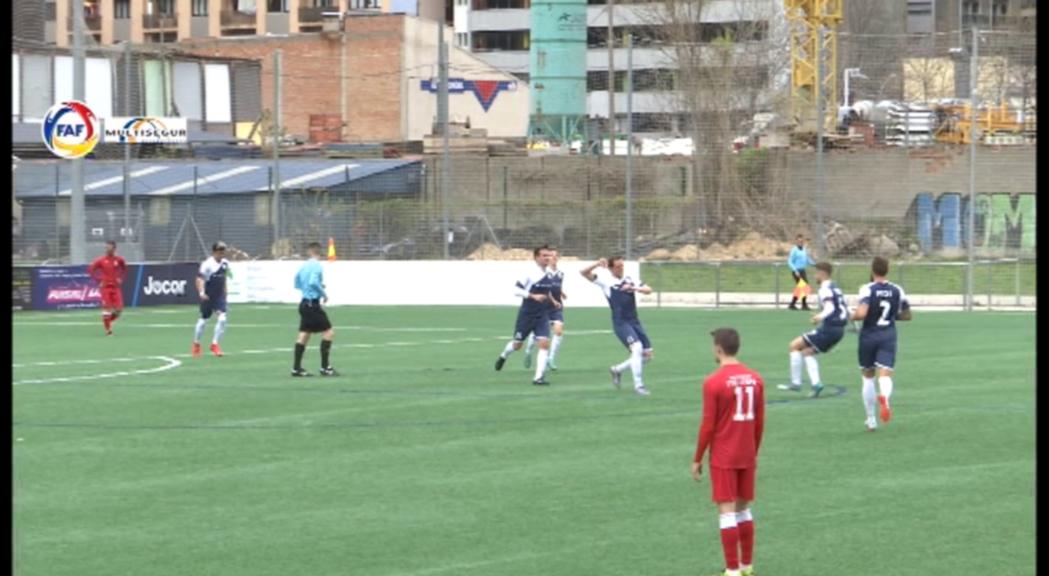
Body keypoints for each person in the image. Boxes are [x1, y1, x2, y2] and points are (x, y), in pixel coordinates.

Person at [692, 328, 765, 576]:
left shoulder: (713, 382)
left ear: (719, 349)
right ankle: (747, 566)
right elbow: (759, 421)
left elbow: (708, 425)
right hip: (747, 453)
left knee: (726, 512)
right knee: (743, 509)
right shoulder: (756, 378)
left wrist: (697, 457)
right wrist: (753, 451)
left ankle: (732, 570)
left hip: (724, 455)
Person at [850, 256, 912, 431]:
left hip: (869, 335)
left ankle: (871, 420)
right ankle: (884, 397)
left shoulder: (867, 289)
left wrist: (850, 315)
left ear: (872, 270)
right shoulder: (897, 290)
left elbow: (862, 313)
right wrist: (893, 316)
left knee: (868, 376)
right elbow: (908, 315)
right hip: (888, 335)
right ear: (888, 269)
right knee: (884, 374)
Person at [580, 257, 654, 396]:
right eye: (618, 266)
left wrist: (634, 288)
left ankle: (617, 370)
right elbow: (583, 272)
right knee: (636, 348)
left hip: (634, 321)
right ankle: (639, 386)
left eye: (622, 266)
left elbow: (649, 289)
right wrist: (596, 263)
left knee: (647, 356)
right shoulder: (606, 282)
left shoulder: (629, 279)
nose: (621, 268)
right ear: (611, 268)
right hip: (621, 322)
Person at [778, 262, 849, 398]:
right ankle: (816, 384)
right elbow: (843, 309)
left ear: (822, 273)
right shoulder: (836, 288)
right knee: (807, 352)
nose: (814, 276)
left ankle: (796, 383)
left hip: (830, 329)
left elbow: (830, 308)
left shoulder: (824, 289)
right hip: (838, 331)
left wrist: (819, 317)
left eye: (816, 273)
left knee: (794, 345)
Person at [494, 245, 558, 386]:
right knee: (517, 345)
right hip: (527, 314)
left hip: (542, 315)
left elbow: (547, 292)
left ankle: (538, 378)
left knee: (544, 344)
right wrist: (532, 296)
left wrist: (553, 301)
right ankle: (503, 356)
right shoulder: (529, 273)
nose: (547, 258)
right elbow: (515, 289)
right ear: (536, 257)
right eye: (544, 255)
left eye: (549, 255)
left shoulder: (549, 274)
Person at [292, 242, 337, 377]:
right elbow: (313, 282)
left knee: (304, 334)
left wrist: (307, 289)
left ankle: (296, 368)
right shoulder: (317, 266)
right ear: (319, 252)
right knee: (329, 333)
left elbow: (296, 281)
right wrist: (323, 293)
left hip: (304, 303)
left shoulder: (304, 265)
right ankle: (325, 367)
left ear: (309, 252)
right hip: (313, 304)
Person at [524, 248, 567, 371]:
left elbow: (556, 286)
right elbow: (544, 289)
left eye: (555, 256)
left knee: (558, 332)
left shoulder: (560, 273)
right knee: (538, 335)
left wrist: (562, 293)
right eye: (550, 256)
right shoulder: (543, 273)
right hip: (543, 306)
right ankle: (528, 350)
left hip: (556, 307)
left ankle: (551, 358)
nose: (552, 258)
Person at [192, 242, 231, 358]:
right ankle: (196, 343)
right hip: (208, 296)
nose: (222, 254)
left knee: (223, 318)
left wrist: (225, 292)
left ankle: (215, 344)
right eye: (220, 252)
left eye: (223, 252)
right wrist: (201, 292)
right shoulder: (207, 264)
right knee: (203, 320)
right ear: (214, 252)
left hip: (219, 296)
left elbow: (224, 279)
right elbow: (199, 279)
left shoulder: (225, 263)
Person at [87, 240, 127, 336]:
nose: (106, 248)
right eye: (106, 247)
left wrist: (121, 278)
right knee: (107, 309)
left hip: (115, 287)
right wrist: (98, 280)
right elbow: (91, 270)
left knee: (119, 310)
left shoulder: (119, 260)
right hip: (105, 288)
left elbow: (124, 269)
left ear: (114, 248)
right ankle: (108, 331)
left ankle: (107, 322)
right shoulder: (101, 260)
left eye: (109, 247)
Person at [787, 234, 816, 311]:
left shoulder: (804, 249)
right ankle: (804, 305)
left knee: (801, 288)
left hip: (802, 271)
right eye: (799, 241)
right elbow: (790, 261)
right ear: (796, 241)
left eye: (802, 241)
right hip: (797, 272)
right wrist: (795, 270)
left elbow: (808, 259)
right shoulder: (794, 250)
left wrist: (815, 264)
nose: (801, 242)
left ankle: (792, 304)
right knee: (804, 287)